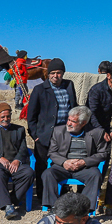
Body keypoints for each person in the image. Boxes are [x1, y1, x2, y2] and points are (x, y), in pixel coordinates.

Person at [26, 58, 78, 199]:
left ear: (63, 73)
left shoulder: (69, 85)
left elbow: (74, 107)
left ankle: (62, 195)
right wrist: (35, 135)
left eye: (59, 73)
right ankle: (43, 196)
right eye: (53, 73)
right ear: (48, 74)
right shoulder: (39, 89)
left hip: (66, 134)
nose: (56, 76)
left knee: (63, 163)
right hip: (45, 135)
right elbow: (31, 116)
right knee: (42, 165)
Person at [42, 106, 107, 211]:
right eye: (68, 120)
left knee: (95, 175)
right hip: (63, 167)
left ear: (83, 123)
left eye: (73, 121)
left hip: (85, 168)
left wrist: (84, 162)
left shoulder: (96, 133)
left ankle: (84, 210)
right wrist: (64, 162)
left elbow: (103, 153)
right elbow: (52, 153)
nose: (69, 123)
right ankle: (53, 208)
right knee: (48, 173)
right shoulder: (58, 131)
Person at [0, 102, 36, 219]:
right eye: (3, 117)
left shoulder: (19, 130)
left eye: (8, 116)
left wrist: (17, 160)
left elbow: (23, 149)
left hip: (15, 164)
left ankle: (12, 199)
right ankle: (8, 206)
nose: (6, 119)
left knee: (29, 172)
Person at [87, 60, 112, 141]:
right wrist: (100, 131)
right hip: (92, 127)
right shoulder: (96, 90)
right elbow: (92, 114)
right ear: (108, 75)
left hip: (107, 126)